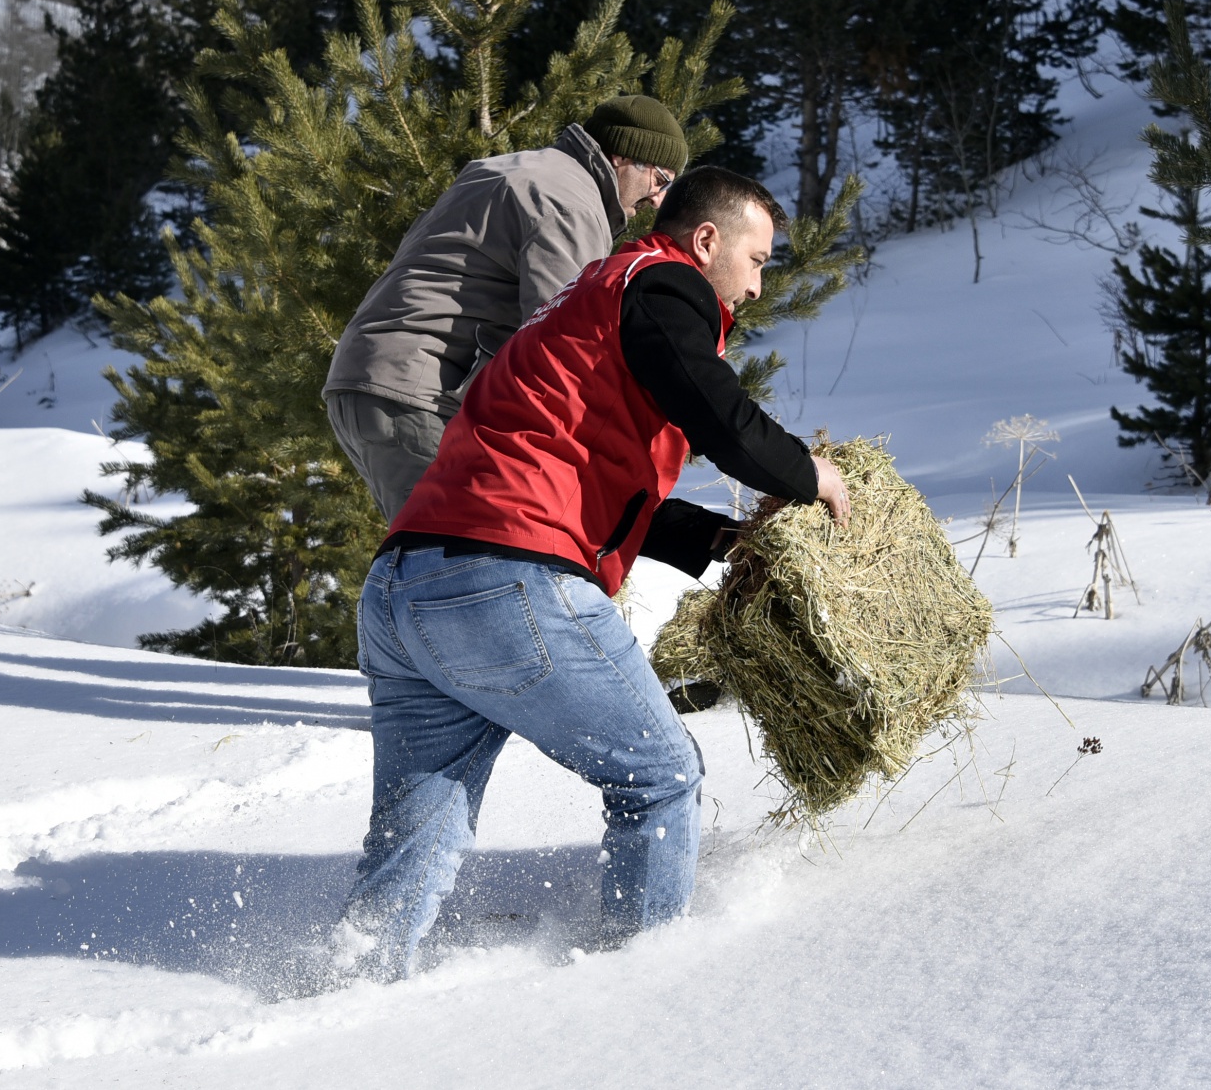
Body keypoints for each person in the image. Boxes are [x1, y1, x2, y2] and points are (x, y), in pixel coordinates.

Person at [336, 166, 852, 980]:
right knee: (661, 775)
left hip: (408, 587)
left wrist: (727, 543)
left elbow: (596, 489)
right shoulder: (663, 284)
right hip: (504, 579)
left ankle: (350, 989)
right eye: (755, 261)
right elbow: (715, 408)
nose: (755, 288)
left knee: (419, 833)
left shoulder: (588, 307)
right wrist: (806, 473)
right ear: (706, 241)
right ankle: (627, 1002)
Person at [323, 95, 689, 522]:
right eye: (660, 179)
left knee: (421, 557)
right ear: (623, 155)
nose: (658, 200)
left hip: (370, 380)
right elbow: (566, 339)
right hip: (424, 392)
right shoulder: (570, 201)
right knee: (453, 561)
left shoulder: (506, 168)